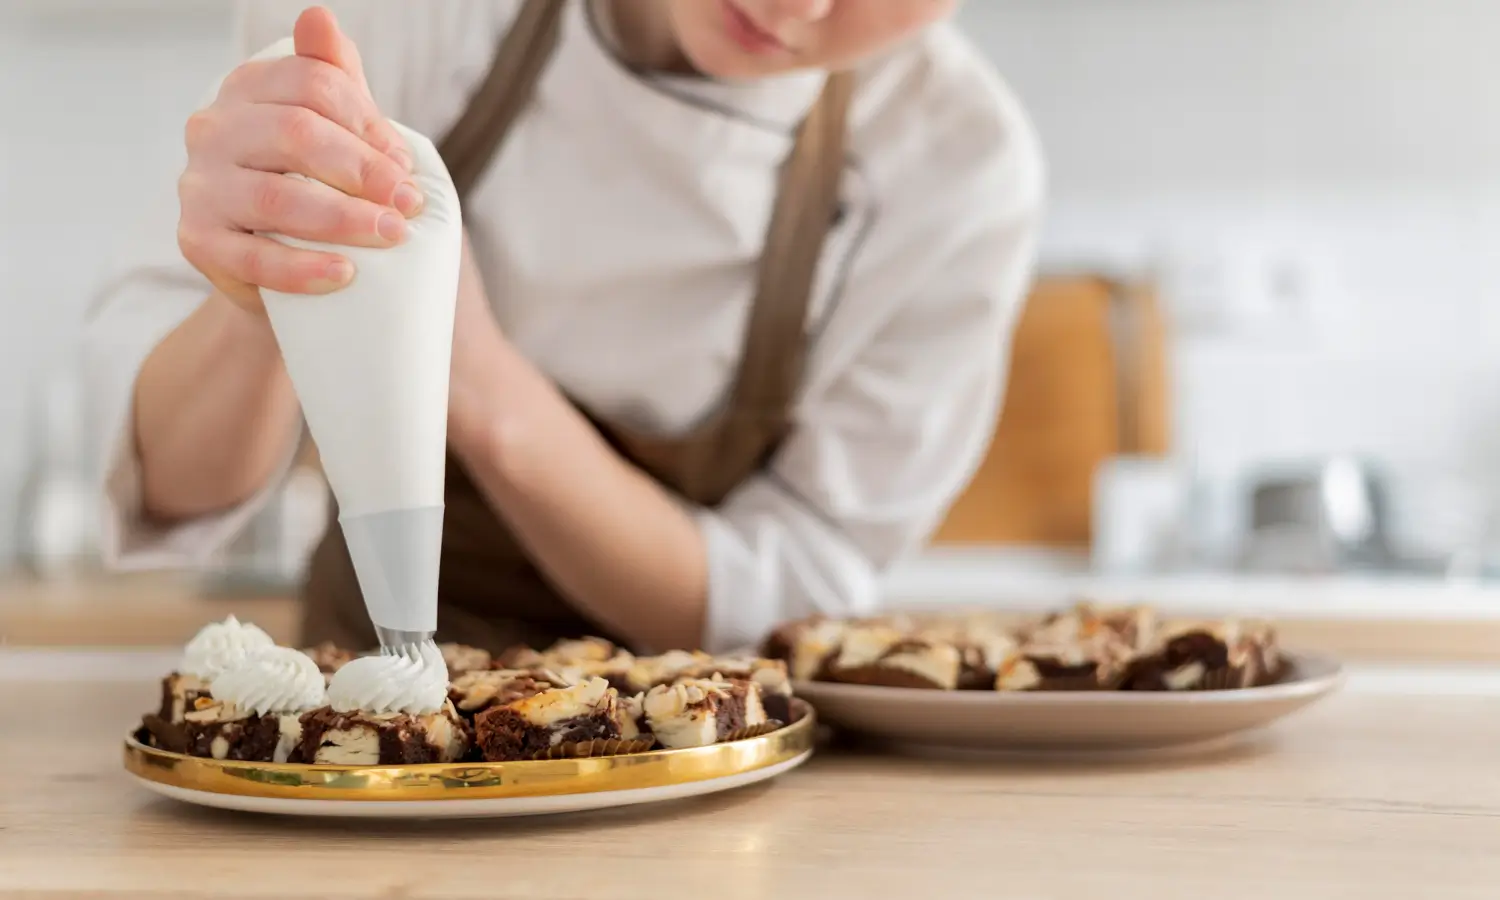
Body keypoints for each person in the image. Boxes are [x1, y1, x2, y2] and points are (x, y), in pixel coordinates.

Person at [83, 0, 1044, 655]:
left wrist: (480, 384)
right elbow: (173, 487)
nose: (793, 4)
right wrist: (274, 280)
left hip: (703, 788)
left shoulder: (957, 173)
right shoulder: (413, 17)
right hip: (354, 758)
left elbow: (792, 608)